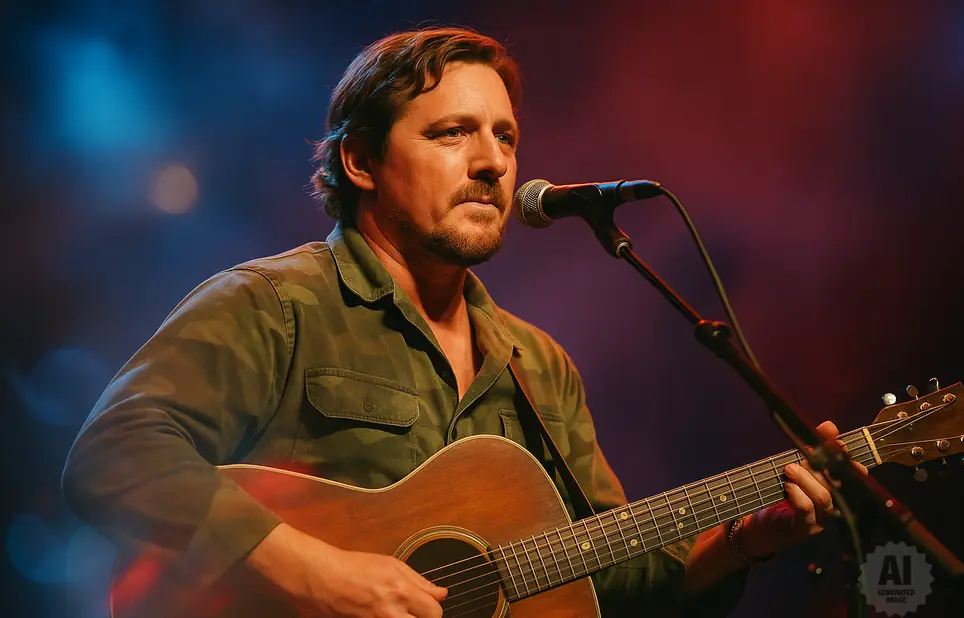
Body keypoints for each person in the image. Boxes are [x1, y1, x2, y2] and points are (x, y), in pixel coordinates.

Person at [62, 27, 864, 618]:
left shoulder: (538, 364)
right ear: (361, 161)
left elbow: (606, 583)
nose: (494, 162)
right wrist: (314, 569)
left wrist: (743, 539)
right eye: (452, 134)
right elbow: (114, 455)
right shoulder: (273, 305)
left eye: (505, 137)